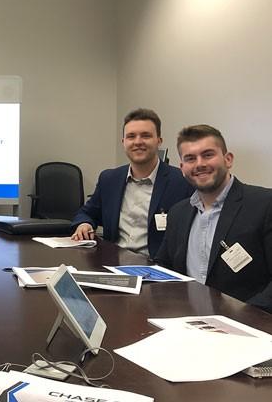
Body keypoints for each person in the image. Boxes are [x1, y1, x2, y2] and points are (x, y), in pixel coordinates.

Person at [155, 125, 272, 312]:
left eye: (208, 154)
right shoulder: (178, 213)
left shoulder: (264, 205)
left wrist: (247, 318)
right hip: (186, 321)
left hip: (246, 328)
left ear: (228, 159)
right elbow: (163, 267)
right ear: (182, 167)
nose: (199, 164)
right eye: (190, 158)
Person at [70, 108, 194, 257]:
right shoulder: (109, 179)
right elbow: (86, 213)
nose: (138, 142)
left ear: (159, 141)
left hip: (158, 269)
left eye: (146, 136)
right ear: (123, 142)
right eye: (131, 136)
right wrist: (85, 224)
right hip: (111, 264)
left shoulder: (182, 181)